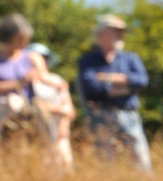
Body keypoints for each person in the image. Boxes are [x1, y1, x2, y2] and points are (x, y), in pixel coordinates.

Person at [78, 15, 152, 172]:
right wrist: (126, 87)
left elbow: (142, 80)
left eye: (121, 32)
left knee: (140, 162)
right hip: (101, 116)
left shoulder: (131, 58)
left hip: (129, 116)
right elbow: (91, 87)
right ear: (101, 34)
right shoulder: (88, 60)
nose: (120, 35)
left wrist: (107, 78)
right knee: (106, 163)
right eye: (115, 31)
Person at [0, 14, 59, 143]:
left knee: (41, 143)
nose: (25, 43)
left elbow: (45, 78)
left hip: (28, 110)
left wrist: (58, 84)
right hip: (1, 110)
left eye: (26, 39)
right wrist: (20, 82)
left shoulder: (33, 57)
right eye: (20, 39)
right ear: (7, 37)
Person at [25, 43, 76, 170]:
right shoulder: (26, 82)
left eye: (45, 57)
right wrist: (59, 109)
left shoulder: (57, 79)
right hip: (37, 132)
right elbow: (32, 106)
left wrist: (64, 125)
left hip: (59, 132)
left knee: (65, 167)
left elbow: (70, 109)